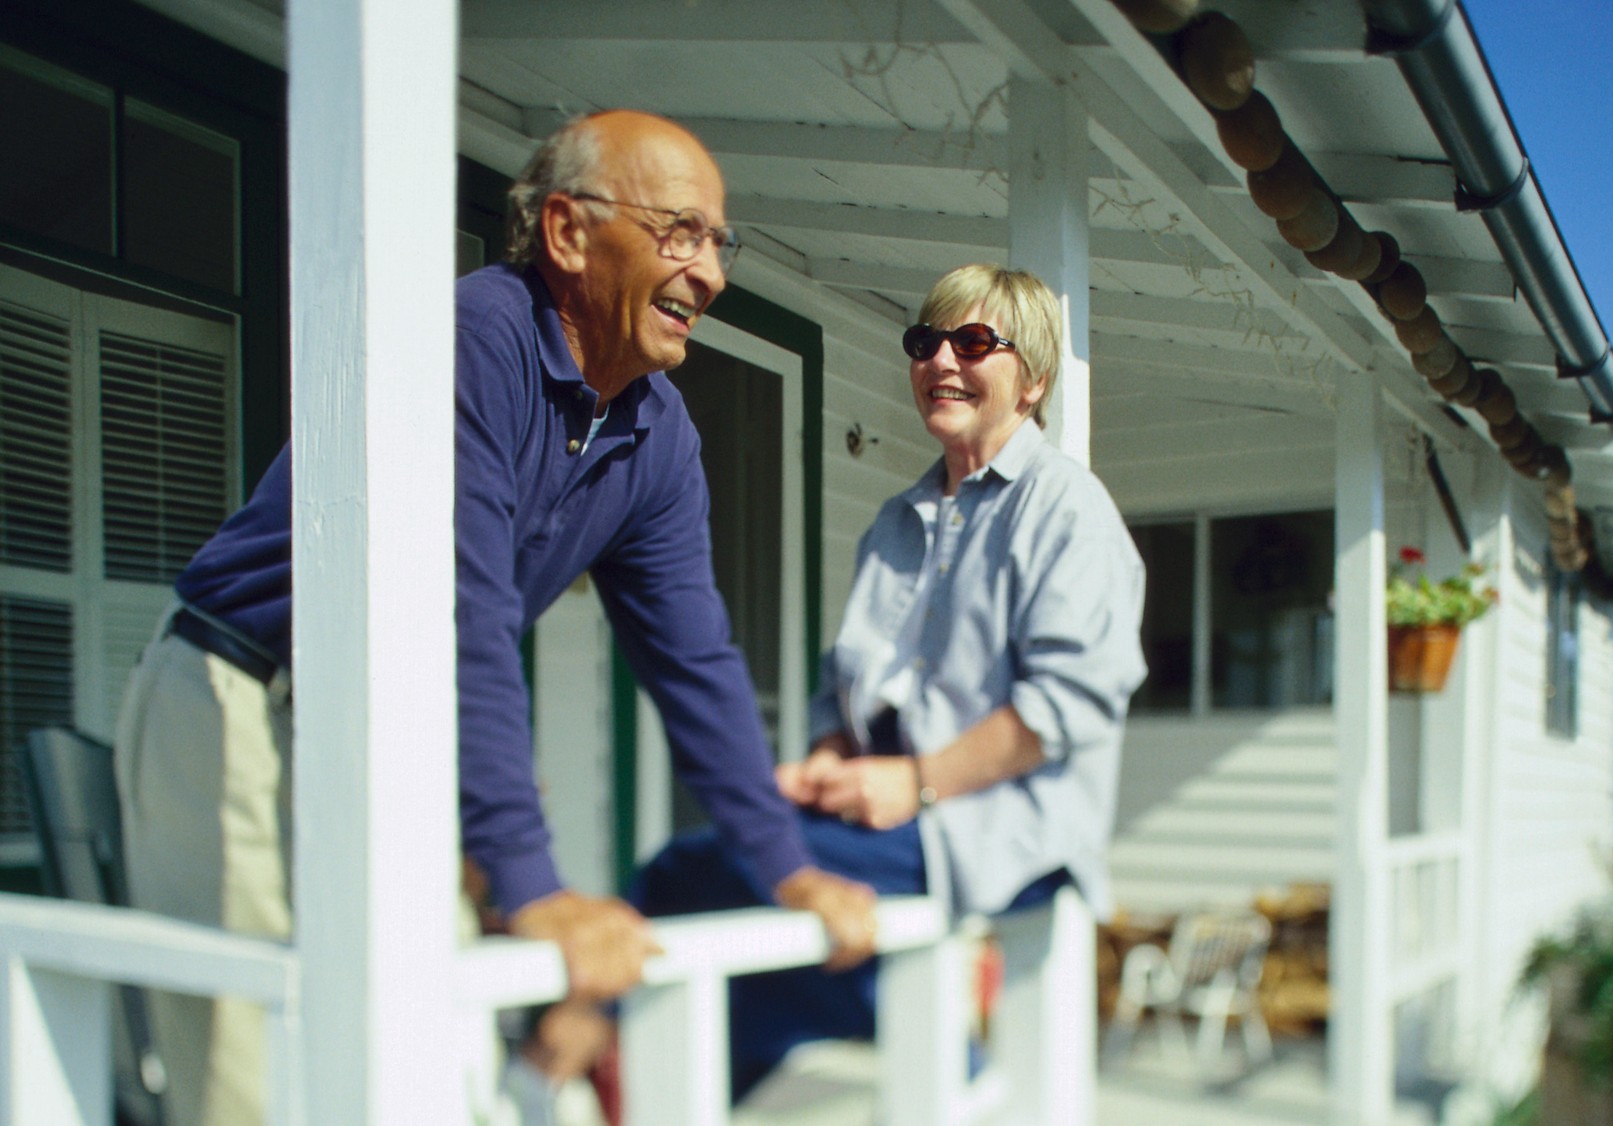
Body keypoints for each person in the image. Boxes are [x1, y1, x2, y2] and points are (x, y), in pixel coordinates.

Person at [111, 110, 876, 1125]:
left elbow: (695, 661)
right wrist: (531, 884)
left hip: (383, 726)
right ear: (566, 232)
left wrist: (787, 869)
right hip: (242, 693)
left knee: (435, 1057)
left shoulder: (656, 433)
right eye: (680, 233)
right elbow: (454, 615)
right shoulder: (471, 342)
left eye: (716, 243)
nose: (712, 273)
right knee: (248, 1079)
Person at [596, 263, 1147, 1098]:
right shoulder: (897, 521)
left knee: (695, 871)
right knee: (752, 909)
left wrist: (917, 783)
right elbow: (842, 684)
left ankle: (574, 1063)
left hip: (1003, 828)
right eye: (926, 343)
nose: (941, 363)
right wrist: (827, 759)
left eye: (973, 343)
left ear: (1031, 381)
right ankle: (667, 1092)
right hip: (891, 816)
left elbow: (1067, 703)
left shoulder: (1068, 510)